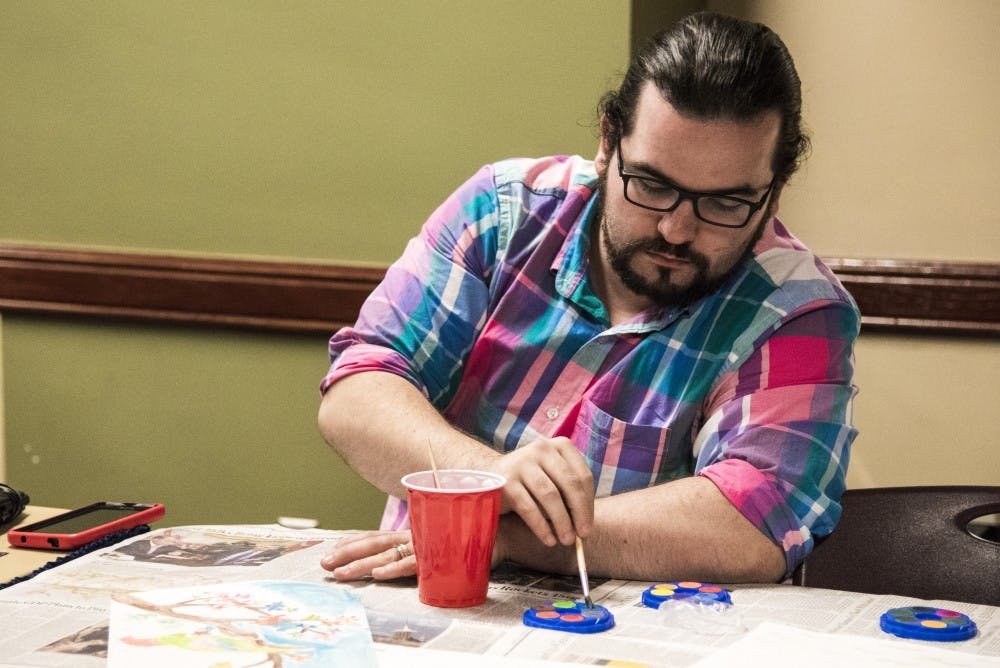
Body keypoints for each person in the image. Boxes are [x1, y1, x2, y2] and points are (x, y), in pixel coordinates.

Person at [318, 11, 859, 585]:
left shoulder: (799, 310)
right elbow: (357, 391)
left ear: (774, 193)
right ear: (607, 143)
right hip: (428, 597)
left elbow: (754, 524)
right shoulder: (501, 212)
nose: (676, 229)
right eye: (651, 185)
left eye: (726, 203)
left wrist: (504, 535)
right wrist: (489, 476)